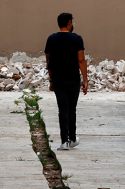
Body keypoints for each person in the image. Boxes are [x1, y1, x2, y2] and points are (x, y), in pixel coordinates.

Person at [44, 13, 88, 151]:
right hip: (73, 79)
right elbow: (81, 60)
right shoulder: (77, 39)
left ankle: (65, 141)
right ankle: (73, 138)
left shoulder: (51, 39)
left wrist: (51, 79)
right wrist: (85, 80)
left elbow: (48, 61)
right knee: (72, 109)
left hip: (58, 79)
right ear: (69, 23)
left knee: (62, 109)